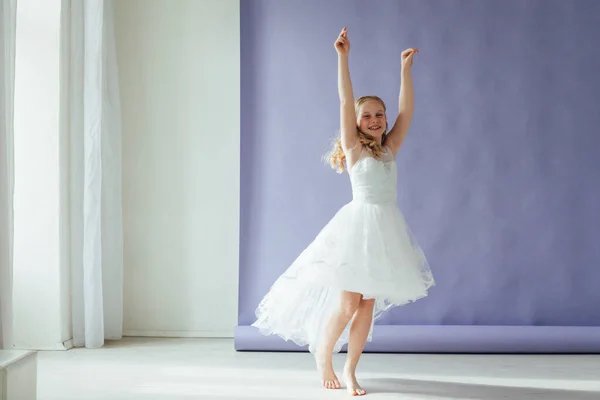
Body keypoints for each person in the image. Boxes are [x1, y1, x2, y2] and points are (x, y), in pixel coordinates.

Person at [252, 26, 435, 396]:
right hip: (358, 225)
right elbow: (343, 99)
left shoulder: (389, 148)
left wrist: (405, 71)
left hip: (385, 227)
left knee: (367, 301)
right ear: (355, 122)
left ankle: (351, 369)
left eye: (380, 115)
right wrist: (343, 57)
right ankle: (323, 354)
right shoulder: (354, 149)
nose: (376, 120)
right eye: (367, 116)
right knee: (349, 299)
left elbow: (407, 110)